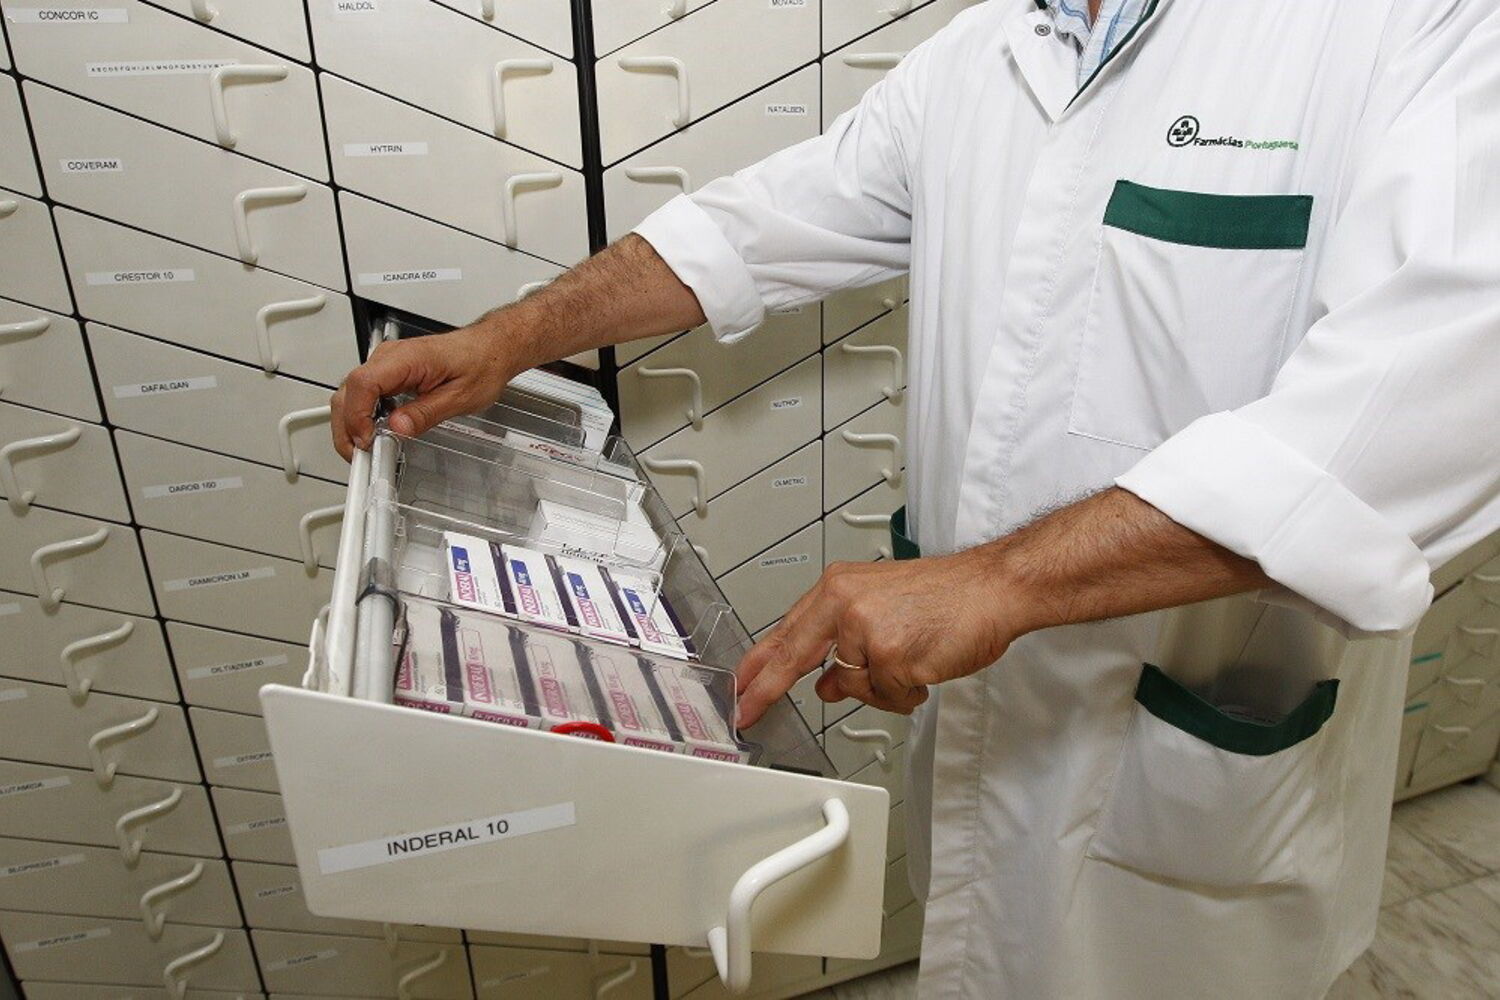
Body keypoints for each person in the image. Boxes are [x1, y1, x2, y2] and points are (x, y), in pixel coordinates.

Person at [331, 0, 1500, 995]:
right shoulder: (987, 50)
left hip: (1195, 776)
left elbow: (1430, 406)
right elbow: (756, 226)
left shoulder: (1416, 32)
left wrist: (1001, 580)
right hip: (989, 727)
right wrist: (513, 336)